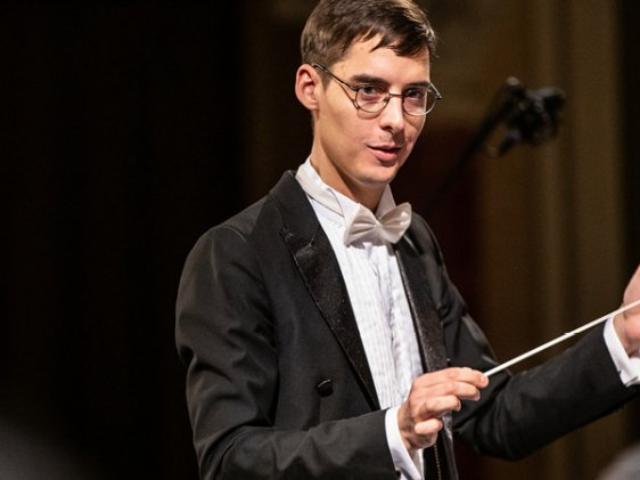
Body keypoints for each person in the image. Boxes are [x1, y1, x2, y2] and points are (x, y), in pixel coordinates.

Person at [175, 1, 640, 478]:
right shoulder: (237, 253)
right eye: (369, 91)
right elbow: (230, 459)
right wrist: (392, 432)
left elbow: (494, 416)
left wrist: (624, 338)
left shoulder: (415, 240)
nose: (396, 120)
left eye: (413, 94)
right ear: (310, 88)